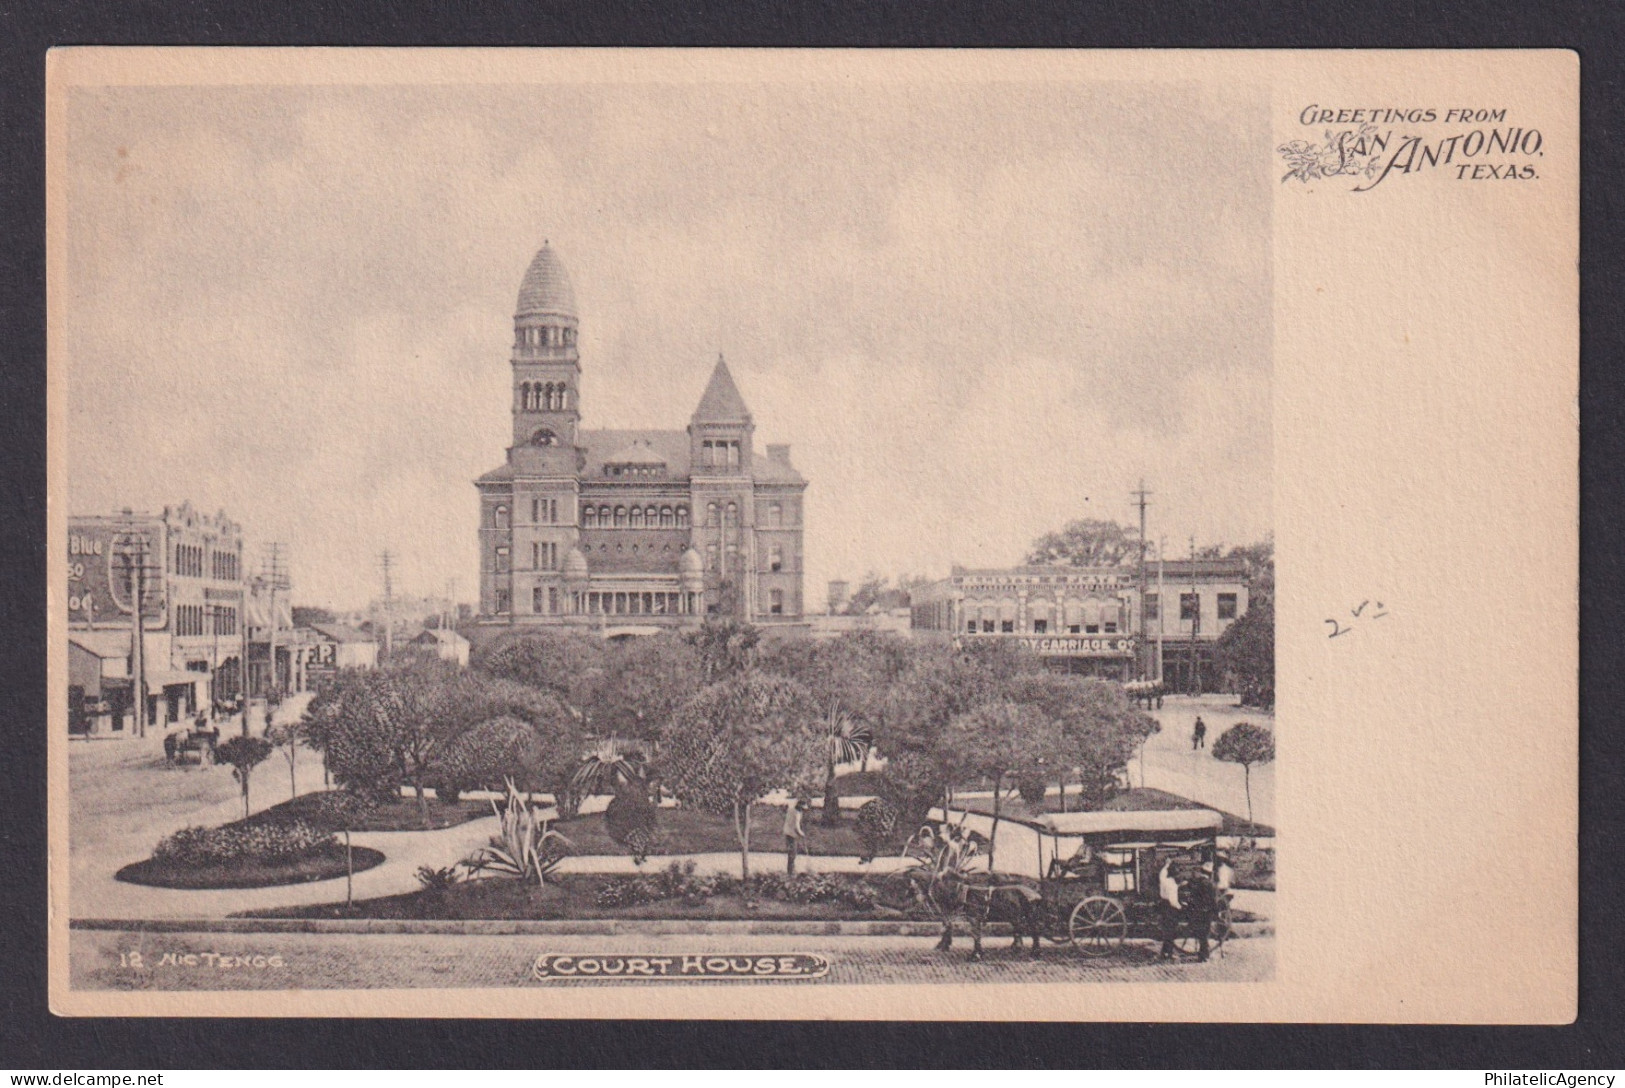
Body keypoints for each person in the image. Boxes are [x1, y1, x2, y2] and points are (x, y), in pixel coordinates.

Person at [1157, 858, 1183, 960]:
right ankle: (1169, 954)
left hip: (1163, 906)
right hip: (1170, 909)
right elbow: (1173, 901)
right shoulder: (1172, 885)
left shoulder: (1164, 880)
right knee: (1171, 932)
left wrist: (1166, 865)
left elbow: (1162, 874)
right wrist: (1180, 907)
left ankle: (1164, 953)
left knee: (1166, 932)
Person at [783, 796, 805, 875]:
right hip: (792, 835)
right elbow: (796, 827)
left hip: (787, 833)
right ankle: (791, 871)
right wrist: (801, 834)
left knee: (791, 853)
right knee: (793, 853)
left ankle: (791, 869)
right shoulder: (797, 814)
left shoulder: (790, 810)